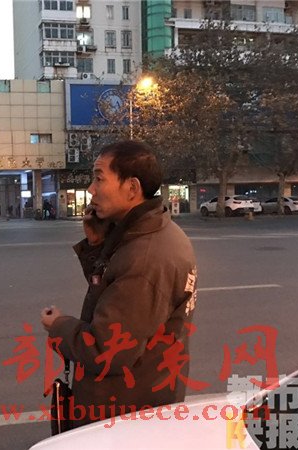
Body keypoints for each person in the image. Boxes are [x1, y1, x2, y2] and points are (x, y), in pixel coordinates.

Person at [40, 140, 198, 429]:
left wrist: (58, 326)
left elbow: (106, 351)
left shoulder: (146, 257)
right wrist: (96, 246)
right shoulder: (147, 232)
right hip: (140, 397)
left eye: (99, 178)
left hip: (124, 412)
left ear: (132, 188)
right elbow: (113, 294)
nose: (91, 189)